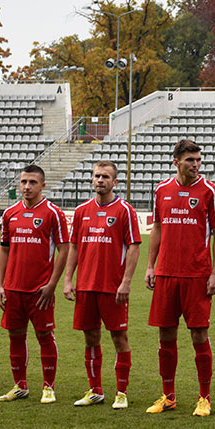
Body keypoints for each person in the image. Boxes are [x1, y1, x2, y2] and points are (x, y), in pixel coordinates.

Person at [144, 139, 215, 417]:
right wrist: (150, 266)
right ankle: (168, 396)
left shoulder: (210, 192)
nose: (196, 165)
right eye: (190, 160)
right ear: (176, 161)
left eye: (198, 160)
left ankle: (204, 397)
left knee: (199, 334)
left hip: (196, 275)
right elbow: (156, 228)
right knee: (165, 334)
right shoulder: (161, 190)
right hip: (166, 273)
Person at [63, 161, 142, 409]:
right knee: (91, 337)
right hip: (86, 286)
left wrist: (126, 282)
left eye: (105, 177)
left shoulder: (124, 211)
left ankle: (121, 392)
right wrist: (68, 279)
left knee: (119, 337)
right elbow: (74, 246)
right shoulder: (81, 211)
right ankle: (95, 390)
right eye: (97, 176)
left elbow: (134, 246)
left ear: (115, 182)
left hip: (112, 287)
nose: (100, 180)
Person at [0, 164, 69, 404]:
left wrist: (52, 285)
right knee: (15, 336)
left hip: (40, 291)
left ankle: (49, 386)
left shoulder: (53, 213)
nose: (27, 187)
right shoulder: (10, 213)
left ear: (43, 185)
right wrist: (0, 284)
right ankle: (20, 385)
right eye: (24, 182)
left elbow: (64, 249)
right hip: (14, 288)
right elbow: (4, 250)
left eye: (32, 182)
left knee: (44, 335)